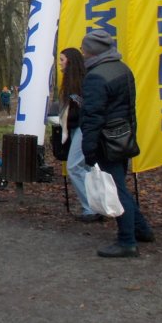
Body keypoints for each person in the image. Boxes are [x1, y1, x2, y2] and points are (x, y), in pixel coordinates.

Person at [79, 29, 154, 257]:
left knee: (117, 191)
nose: (82, 52)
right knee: (120, 186)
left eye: (84, 48)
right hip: (124, 137)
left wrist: (89, 148)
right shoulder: (123, 69)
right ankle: (142, 229)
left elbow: (92, 116)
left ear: (92, 51)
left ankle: (127, 241)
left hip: (106, 142)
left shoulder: (95, 77)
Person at [58, 47, 100, 222]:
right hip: (76, 127)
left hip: (84, 127)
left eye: (62, 60)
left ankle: (90, 208)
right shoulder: (70, 82)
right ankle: (96, 206)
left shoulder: (84, 80)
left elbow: (86, 106)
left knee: (74, 166)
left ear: (70, 61)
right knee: (86, 168)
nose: (60, 64)